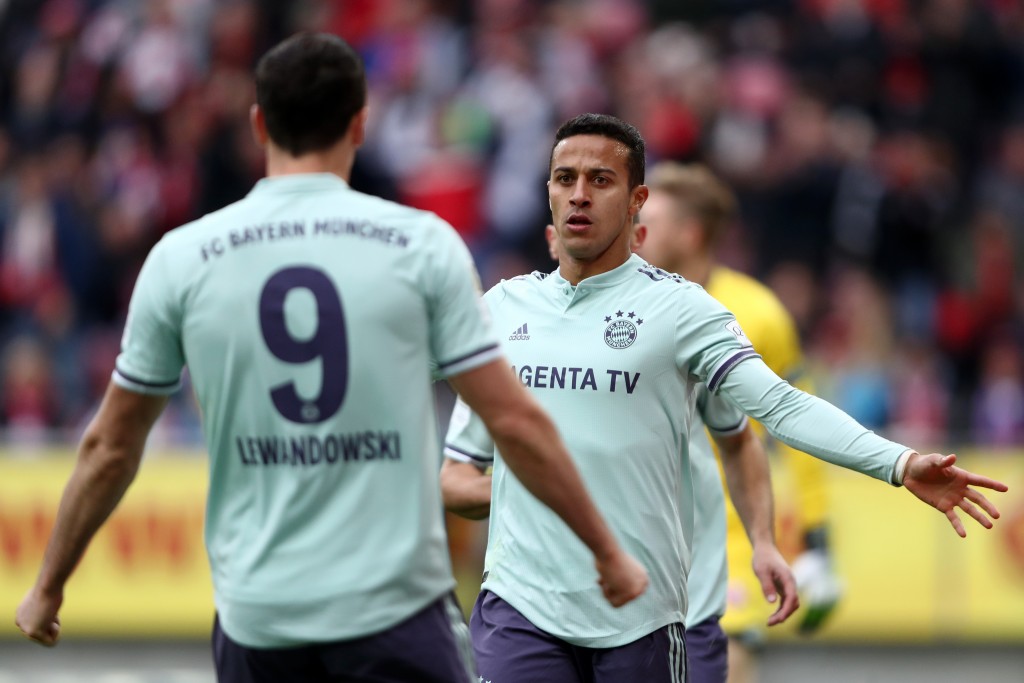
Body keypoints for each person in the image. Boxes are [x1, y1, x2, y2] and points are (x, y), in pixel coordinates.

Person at [14, 35, 649, 683]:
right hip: (394, 611)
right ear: (360, 124)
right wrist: (605, 548)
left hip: (259, 615)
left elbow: (110, 447)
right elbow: (512, 419)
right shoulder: (421, 245)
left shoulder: (184, 256)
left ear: (259, 123)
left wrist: (49, 584)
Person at [439, 112, 1008, 683]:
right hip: (520, 606)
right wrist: (536, 488)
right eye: (565, 179)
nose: (579, 195)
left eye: (600, 180)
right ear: (548, 193)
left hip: (641, 614)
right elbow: (456, 474)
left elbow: (779, 406)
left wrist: (899, 462)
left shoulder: (685, 310)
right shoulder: (504, 309)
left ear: (637, 200)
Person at [634, 161, 842, 683]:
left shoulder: (759, 312)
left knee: (727, 664)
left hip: (728, 536)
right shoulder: (623, 302)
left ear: (690, 232)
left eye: (650, 221)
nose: (635, 231)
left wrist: (818, 538)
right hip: (641, 528)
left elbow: (795, 422)